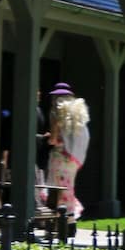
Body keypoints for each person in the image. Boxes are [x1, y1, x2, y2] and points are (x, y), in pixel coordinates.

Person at [43, 83, 89, 221]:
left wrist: (47, 137)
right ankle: (69, 220)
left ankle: (60, 221)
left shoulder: (57, 116)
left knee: (57, 191)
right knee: (68, 189)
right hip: (72, 159)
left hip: (59, 157)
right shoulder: (77, 116)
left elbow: (53, 140)